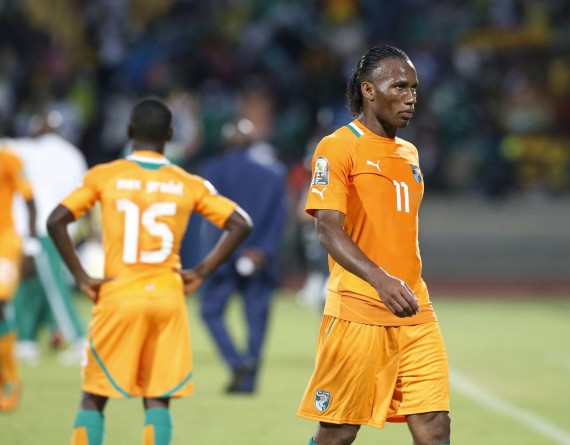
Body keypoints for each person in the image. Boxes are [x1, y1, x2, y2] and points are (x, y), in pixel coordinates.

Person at [46, 97, 252, 445]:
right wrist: (201, 271)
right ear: (170, 134)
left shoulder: (104, 175)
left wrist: (81, 276)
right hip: (168, 297)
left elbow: (56, 221)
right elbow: (240, 223)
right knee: (157, 397)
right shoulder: (188, 182)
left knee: (95, 396)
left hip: (118, 294)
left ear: (129, 132)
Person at [297, 45, 451, 445]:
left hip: (414, 307)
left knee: (434, 427)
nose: (411, 96)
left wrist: (398, 284)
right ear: (368, 90)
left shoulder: (410, 153)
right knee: (338, 433)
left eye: (414, 88)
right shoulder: (338, 146)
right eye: (399, 86)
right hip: (358, 309)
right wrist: (381, 280)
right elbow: (327, 230)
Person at [199, 117, 287, 393]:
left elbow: (211, 220)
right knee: (256, 320)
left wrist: (223, 253)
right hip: (259, 257)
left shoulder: (211, 170)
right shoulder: (273, 172)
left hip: (224, 256)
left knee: (210, 311)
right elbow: (279, 218)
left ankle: (237, 363)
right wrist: (262, 250)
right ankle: (248, 378)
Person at [11, 110, 89, 365]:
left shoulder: (29, 150)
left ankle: (78, 339)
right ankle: (26, 339)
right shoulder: (73, 154)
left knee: (52, 286)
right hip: (63, 226)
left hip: (39, 228)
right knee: (32, 286)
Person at [0, 143, 37, 411]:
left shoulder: (9, 158)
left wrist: (31, 247)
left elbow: (30, 201)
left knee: (0, 305)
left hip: (4, 242)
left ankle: (9, 378)